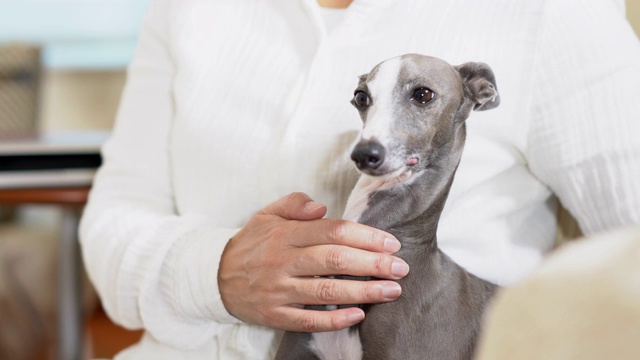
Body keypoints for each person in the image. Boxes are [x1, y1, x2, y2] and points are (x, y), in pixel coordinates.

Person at [79, 0, 640, 359]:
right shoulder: (185, 11)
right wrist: (216, 270)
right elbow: (112, 222)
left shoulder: (555, 13)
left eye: (421, 98)